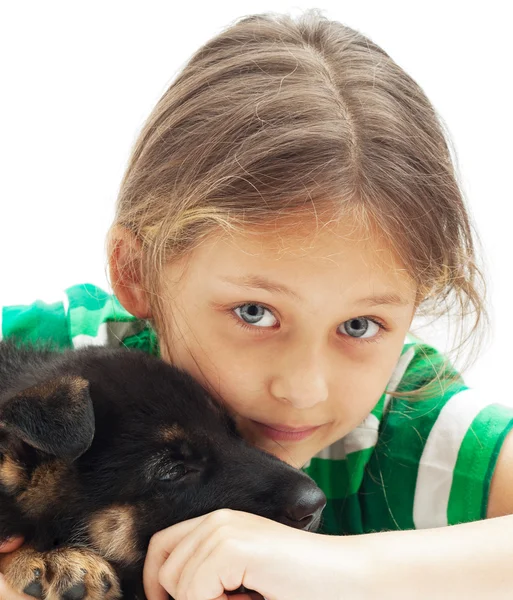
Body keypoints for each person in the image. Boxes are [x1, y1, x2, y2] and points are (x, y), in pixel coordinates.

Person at [1, 9, 513, 600]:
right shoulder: (68, 362)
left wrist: (348, 569)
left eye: (359, 323)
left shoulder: (408, 432)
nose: (303, 388)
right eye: (255, 312)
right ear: (136, 272)